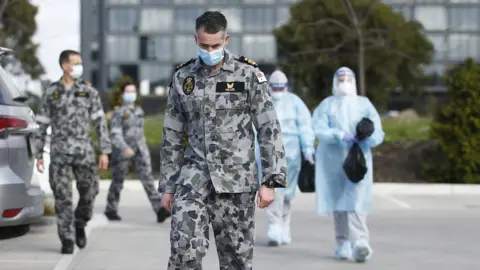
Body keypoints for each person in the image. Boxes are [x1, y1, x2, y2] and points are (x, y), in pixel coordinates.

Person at [159, 11, 287, 270]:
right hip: (193, 179)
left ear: (226, 39)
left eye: (215, 45)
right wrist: (169, 185)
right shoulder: (183, 78)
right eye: (204, 45)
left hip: (236, 183)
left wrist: (270, 180)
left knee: (236, 262)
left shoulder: (247, 74)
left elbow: (268, 126)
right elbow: (172, 133)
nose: (210, 50)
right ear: (195, 39)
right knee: (183, 252)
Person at [35, 50, 111, 254]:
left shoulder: (89, 92)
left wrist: (104, 151)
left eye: (80, 62)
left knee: (90, 191)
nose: (79, 67)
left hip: (84, 151)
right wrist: (38, 154)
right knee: (63, 198)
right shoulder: (51, 93)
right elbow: (41, 125)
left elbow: (100, 123)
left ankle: (80, 221)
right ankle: (67, 240)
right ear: (64, 66)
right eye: (75, 63)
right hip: (60, 153)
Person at [312, 67, 385, 263]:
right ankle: (343, 242)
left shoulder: (364, 104)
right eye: (341, 79)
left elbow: (378, 131)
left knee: (356, 201)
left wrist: (365, 136)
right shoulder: (327, 105)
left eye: (348, 79)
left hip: (358, 160)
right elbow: (318, 128)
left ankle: (360, 242)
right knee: (338, 203)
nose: (344, 82)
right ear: (335, 82)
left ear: (354, 82)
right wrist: (339, 135)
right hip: (332, 162)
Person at [255, 70, 315, 246]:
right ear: (269, 87)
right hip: (268, 152)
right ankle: (274, 226)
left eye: (281, 88)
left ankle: (284, 225)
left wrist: (308, 150)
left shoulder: (295, 103)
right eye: (275, 88)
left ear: (287, 87)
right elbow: (252, 128)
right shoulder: (262, 103)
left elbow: (305, 126)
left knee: (287, 193)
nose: (278, 91)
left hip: (292, 154)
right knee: (273, 189)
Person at [104, 82, 170, 223]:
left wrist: (144, 149)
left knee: (148, 180)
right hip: (123, 151)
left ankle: (159, 209)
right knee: (118, 180)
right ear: (123, 95)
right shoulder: (118, 113)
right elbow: (115, 133)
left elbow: (140, 133)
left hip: (140, 149)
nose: (131, 94)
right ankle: (111, 209)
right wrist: (124, 147)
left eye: (133, 91)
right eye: (128, 91)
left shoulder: (139, 111)